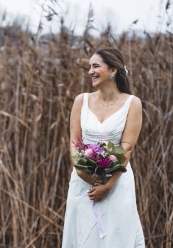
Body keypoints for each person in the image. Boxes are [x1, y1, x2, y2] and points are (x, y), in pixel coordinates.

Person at [62, 47, 145, 247]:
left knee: (116, 235)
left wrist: (108, 185)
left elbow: (126, 147)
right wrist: (82, 173)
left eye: (96, 66)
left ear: (113, 70)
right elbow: (75, 141)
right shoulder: (81, 101)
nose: (90, 71)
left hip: (117, 182)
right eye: (89, 67)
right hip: (82, 182)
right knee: (83, 234)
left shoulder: (132, 103)